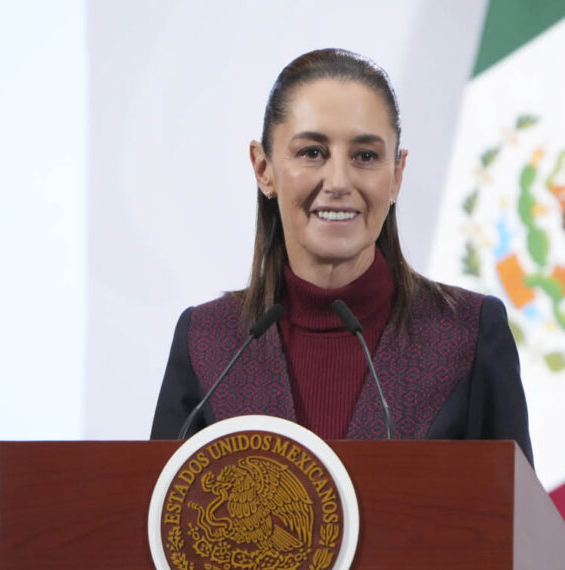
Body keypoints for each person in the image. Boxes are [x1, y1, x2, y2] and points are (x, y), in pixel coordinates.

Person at [149, 48, 533, 465]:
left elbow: (516, 507)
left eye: (365, 156)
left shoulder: (468, 334)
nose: (338, 182)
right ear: (263, 169)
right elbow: (159, 503)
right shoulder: (207, 341)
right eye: (312, 152)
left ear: (396, 175)